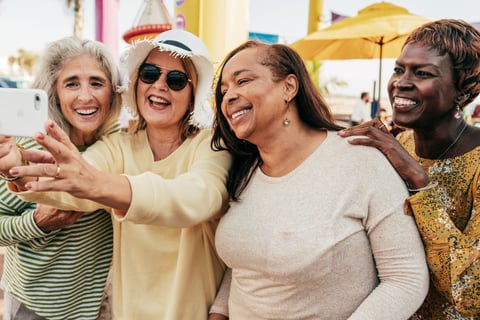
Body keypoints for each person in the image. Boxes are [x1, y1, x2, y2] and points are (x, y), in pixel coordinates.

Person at [4, 29, 230, 319]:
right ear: (137, 83)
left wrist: (101, 184)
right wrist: (17, 171)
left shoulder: (211, 145)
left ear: (193, 94)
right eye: (149, 74)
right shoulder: (118, 146)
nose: (159, 85)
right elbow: (72, 186)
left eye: (175, 80)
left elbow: (200, 197)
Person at [208, 40, 429, 319]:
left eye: (243, 81)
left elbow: (406, 279)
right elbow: (246, 263)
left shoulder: (360, 161)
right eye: (224, 90)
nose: (228, 96)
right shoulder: (243, 171)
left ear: (289, 87)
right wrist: (218, 313)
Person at [339, 19, 480, 319]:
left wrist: (418, 180)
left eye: (423, 73)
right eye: (398, 69)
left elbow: (471, 293)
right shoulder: (392, 144)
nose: (401, 82)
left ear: (463, 90)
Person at [0, 36, 122, 320]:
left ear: (112, 93)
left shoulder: (119, 145)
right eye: (71, 83)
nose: (85, 96)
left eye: (96, 82)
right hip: (32, 306)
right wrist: (36, 223)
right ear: (54, 91)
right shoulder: (29, 147)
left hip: (94, 307)